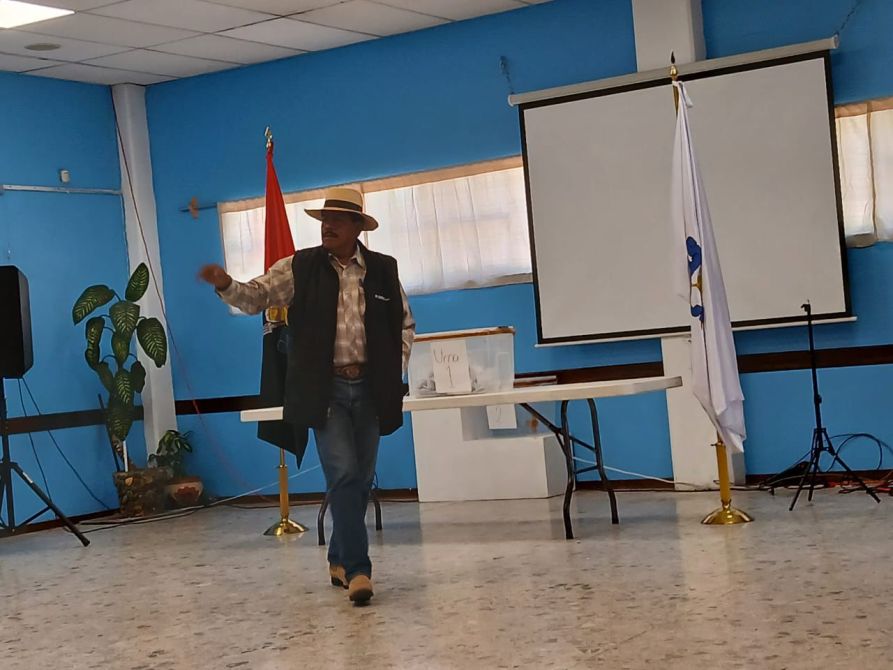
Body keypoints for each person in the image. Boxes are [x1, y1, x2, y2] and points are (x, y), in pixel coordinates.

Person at [199, 187, 415, 605]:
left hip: (371, 390)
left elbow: (405, 324)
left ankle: (337, 557)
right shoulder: (299, 267)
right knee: (345, 475)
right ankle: (358, 571)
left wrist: (394, 368)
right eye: (323, 219)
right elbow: (257, 296)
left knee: (359, 480)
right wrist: (226, 284)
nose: (327, 226)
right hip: (325, 391)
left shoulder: (384, 270)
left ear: (357, 228)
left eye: (337, 219)